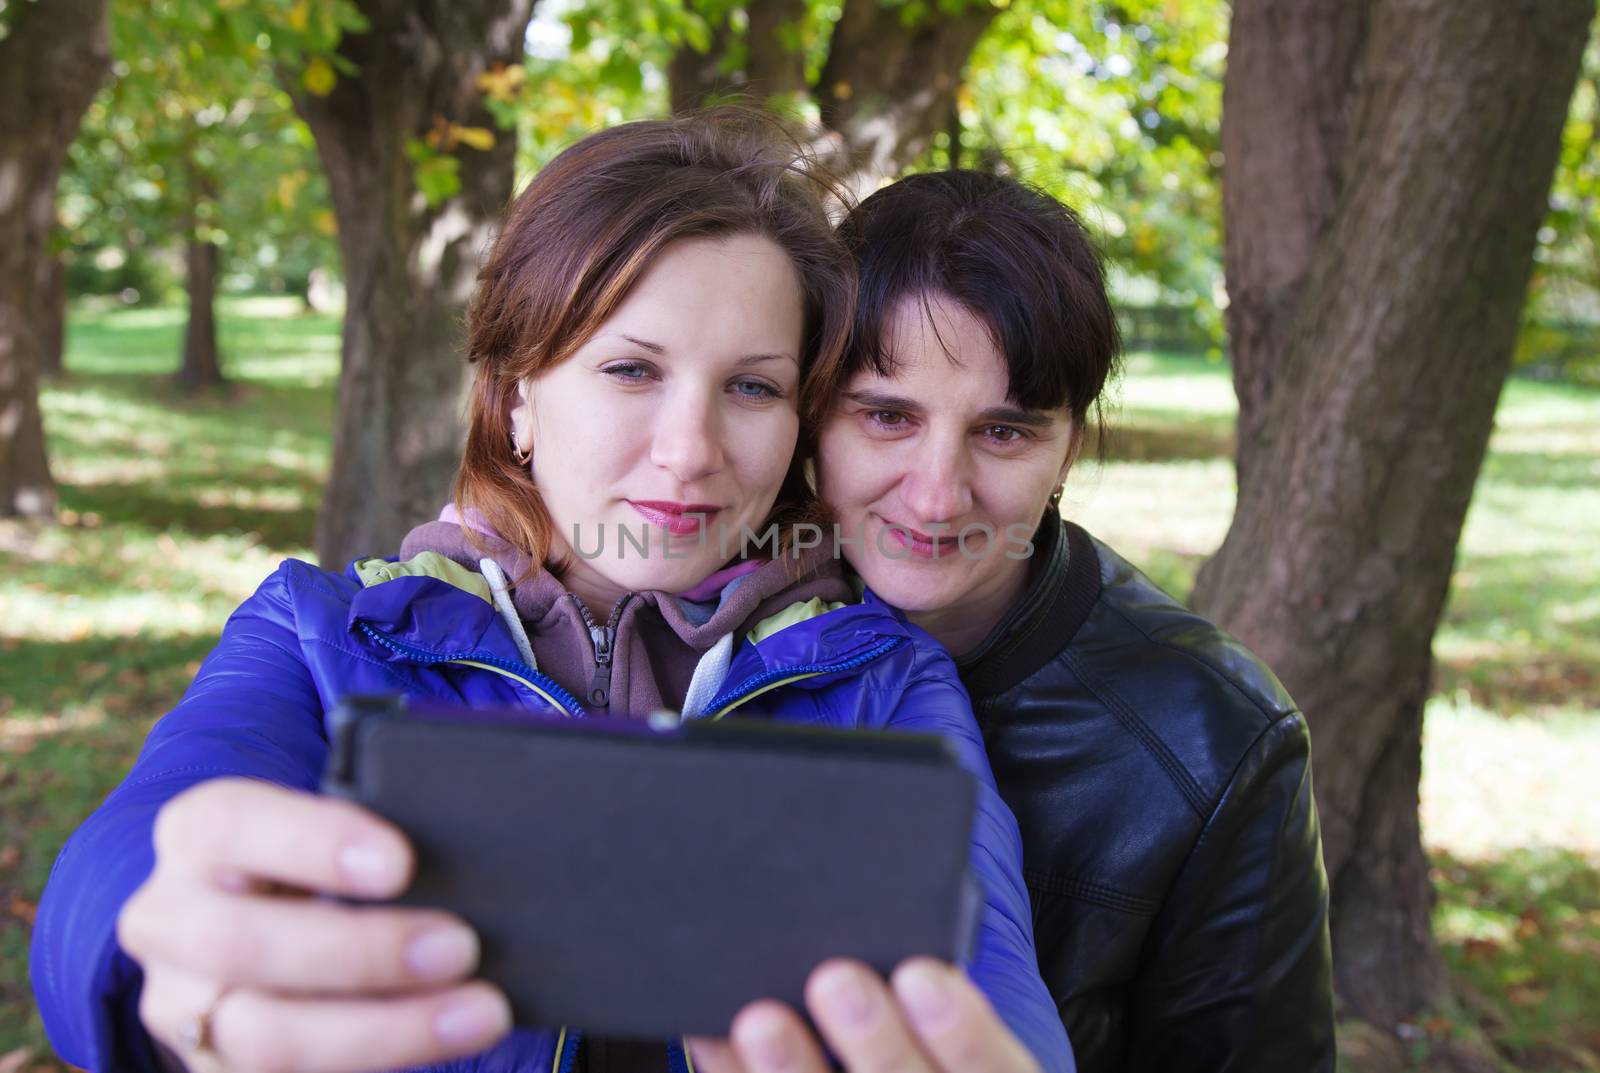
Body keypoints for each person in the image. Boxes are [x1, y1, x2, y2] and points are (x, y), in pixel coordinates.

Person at [29, 116, 1073, 1073]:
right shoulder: (317, 633)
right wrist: (158, 954)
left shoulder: (879, 684)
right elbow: (141, 850)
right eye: (630, 369)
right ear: (519, 391)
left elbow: (984, 967)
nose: (688, 450)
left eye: (751, 386)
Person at [795, 171, 1333, 1072]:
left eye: (1003, 431)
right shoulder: (697, 638)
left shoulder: (1218, 739)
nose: (935, 494)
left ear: (1069, 447)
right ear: (814, 413)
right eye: (887, 416)